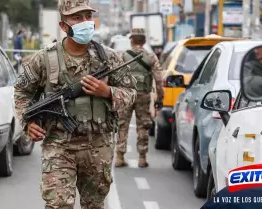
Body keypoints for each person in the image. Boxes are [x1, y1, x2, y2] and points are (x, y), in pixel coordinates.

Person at [14, 0, 137, 208]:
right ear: (64, 26)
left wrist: (107, 92)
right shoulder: (44, 59)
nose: (85, 22)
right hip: (59, 145)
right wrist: (27, 122)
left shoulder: (108, 58)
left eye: (88, 17)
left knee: (94, 205)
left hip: (99, 144)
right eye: (77, 18)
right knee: (58, 205)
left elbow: (132, 92)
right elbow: (21, 91)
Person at [115, 28, 164, 168]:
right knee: (143, 125)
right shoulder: (150, 56)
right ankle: (142, 158)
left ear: (131, 40)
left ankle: (119, 156)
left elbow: (114, 75)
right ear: (144, 41)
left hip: (125, 95)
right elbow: (159, 79)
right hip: (143, 95)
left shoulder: (123, 55)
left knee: (122, 124)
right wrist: (160, 97)